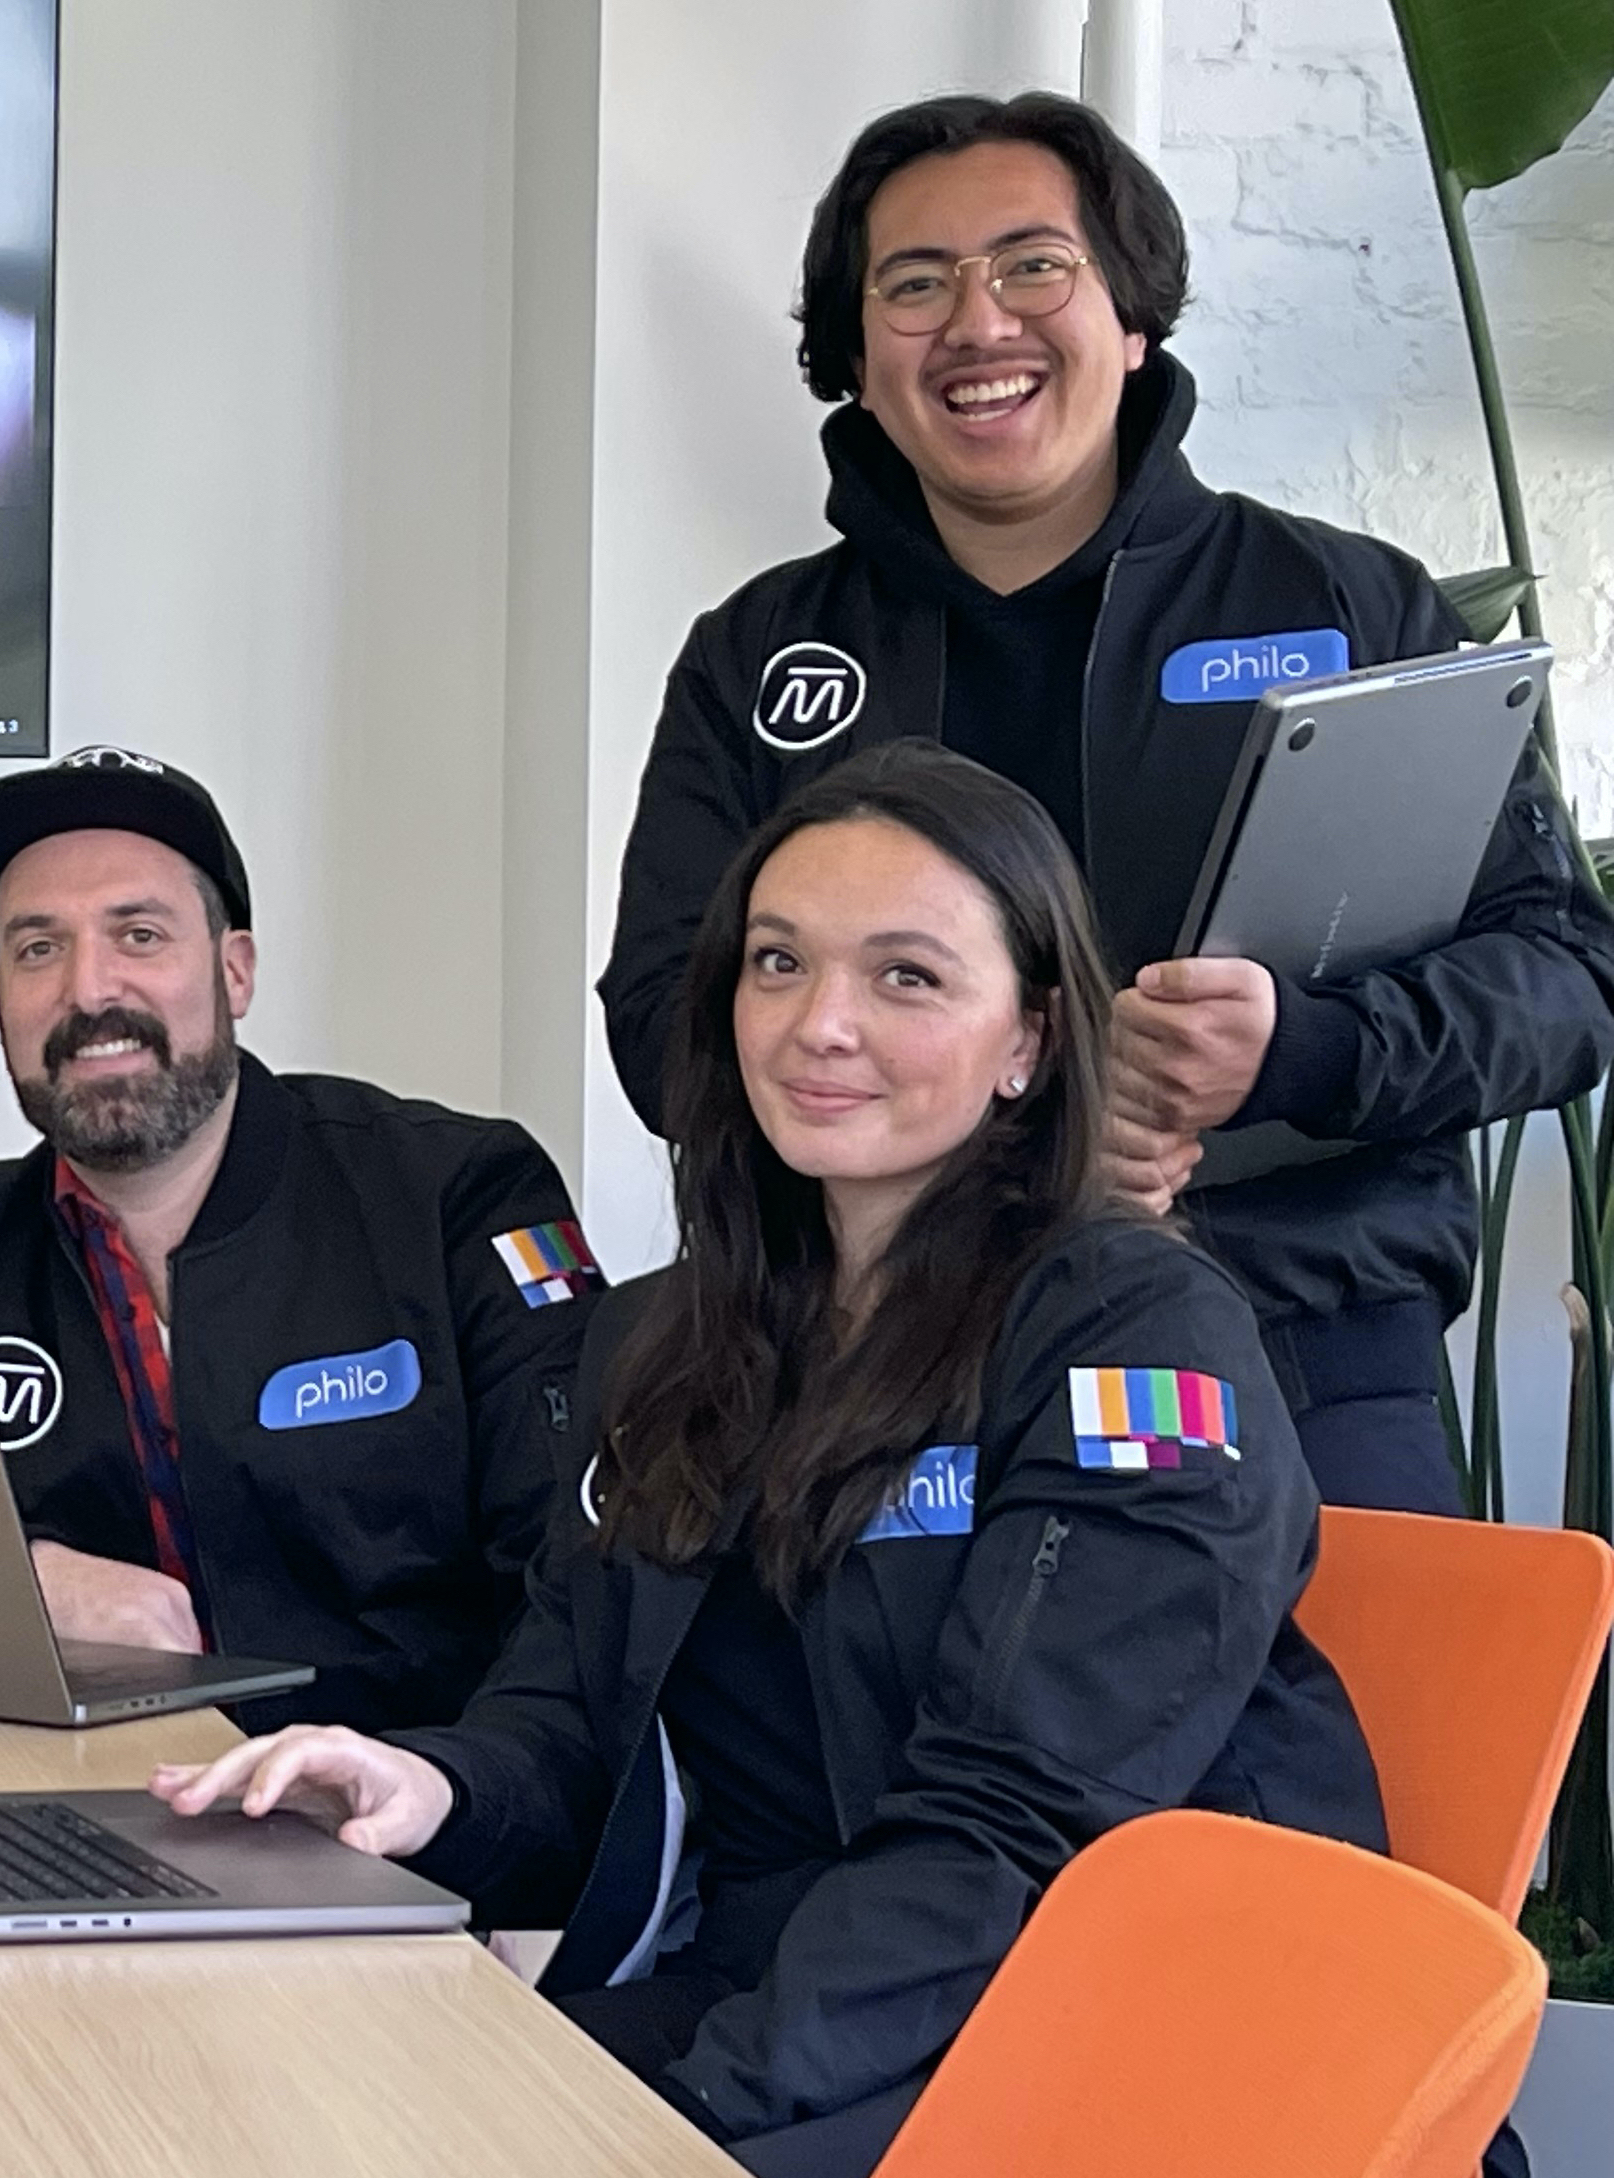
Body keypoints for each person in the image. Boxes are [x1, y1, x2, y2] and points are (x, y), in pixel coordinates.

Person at [164, 745, 1382, 2174]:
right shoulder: (663, 1338)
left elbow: (1015, 1828)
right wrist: (423, 1791)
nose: (818, 1025)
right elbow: (566, 1712)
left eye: (905, 977)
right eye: (777, 962)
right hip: (784, 1993)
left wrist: (682, 2115)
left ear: (1029, 1042)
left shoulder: (1133, 1333)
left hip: (1108, 2027)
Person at [600, 91, 1614, 1514]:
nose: (976, 322)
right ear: (853, 362)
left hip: (1304, 1352)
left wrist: (1299, 1052)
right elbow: (664, 1026)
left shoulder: (1345, 607)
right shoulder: (761, 658)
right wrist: (1027, 1130)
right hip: (878, 1363)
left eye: (1031, 265)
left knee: (1348, 1743)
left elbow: (1562, 978)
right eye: (912, 284)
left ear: (1130, 318)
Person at [0, 747, 589, 1734]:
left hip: (428, 1835)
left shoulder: (457, 1198)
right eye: (36, 948)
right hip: (93, 1822)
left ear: (235, 971)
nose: (87, 989)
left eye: (138, 935)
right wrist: (29, 1584)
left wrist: (447, 1798)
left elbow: (582, 1590)